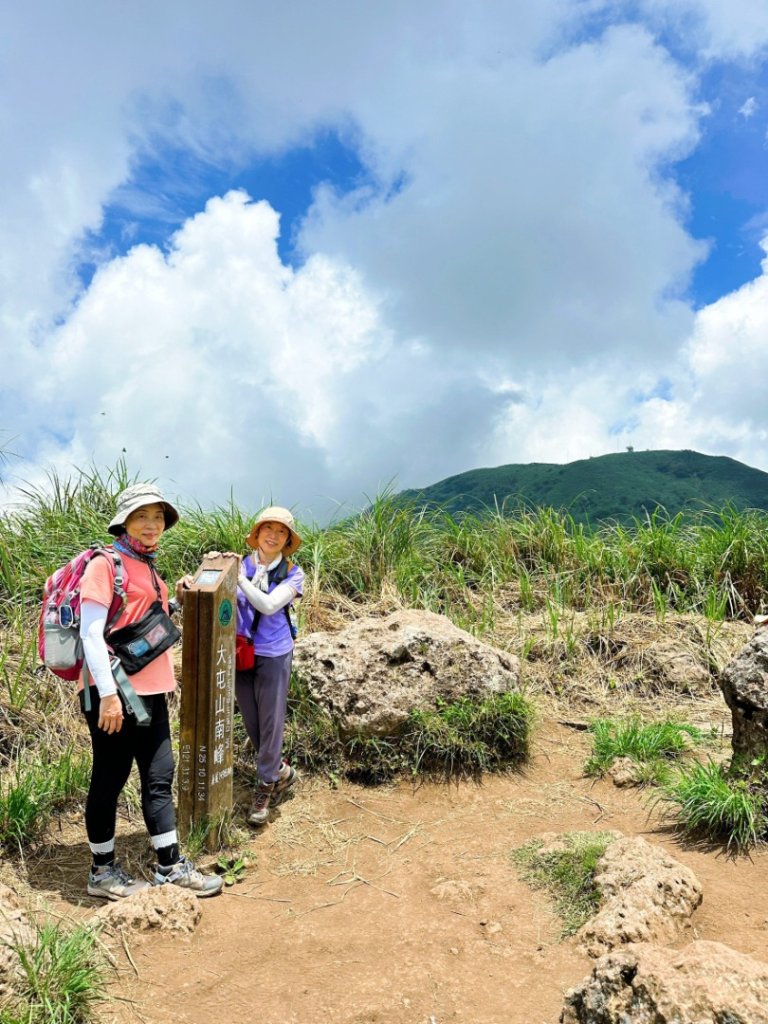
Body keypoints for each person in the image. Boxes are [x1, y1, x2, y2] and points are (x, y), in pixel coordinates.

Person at [79, 483, 223, 900]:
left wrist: (173, 600)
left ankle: (170, 867)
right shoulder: (105, 565)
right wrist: (108, 695)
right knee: (109, 778)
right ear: (124, 521)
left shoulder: (146, 565)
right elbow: (90, 633)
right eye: (142, 516)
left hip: (151, 692)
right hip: (115, 693)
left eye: (158, 517)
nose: (152, 524)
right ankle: (102, 872)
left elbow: (142, 623)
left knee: (159, 776)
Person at [232, 506, 304, 826]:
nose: (273, 536)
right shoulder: (239, 564)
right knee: (252, 722)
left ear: (287, 540)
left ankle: (265, 786)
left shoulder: (293, 573)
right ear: (257, 533)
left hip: (274, 653)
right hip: (241, 653)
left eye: (281, 531)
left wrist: (239, 580)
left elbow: (270, 605)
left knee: (271, 723)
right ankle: (280, 770)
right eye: (268, 529)